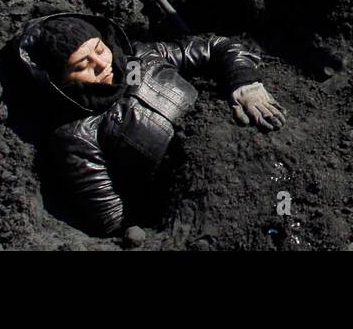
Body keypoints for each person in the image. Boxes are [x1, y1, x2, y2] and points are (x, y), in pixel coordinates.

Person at [18, 13, 285, 236]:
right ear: (61, 80)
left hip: (256, 150)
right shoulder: (77, 133)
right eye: (83, 65)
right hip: (209, 198)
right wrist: (139, 231)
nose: (102, 65)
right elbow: (109, 216)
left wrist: (245, 82)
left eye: (100, 50)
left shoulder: (145, 56)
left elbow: (217, 47)